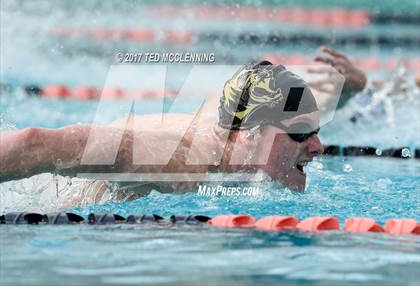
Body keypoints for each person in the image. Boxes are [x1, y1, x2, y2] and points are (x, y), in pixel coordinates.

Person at [0, 47, 366, 204]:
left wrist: (350, 86)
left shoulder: (247, 124)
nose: (318, 146)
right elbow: (37, 143)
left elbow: (320, 89)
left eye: (315, 130)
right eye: (301, 134)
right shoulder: (181, 162)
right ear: (250, 135)